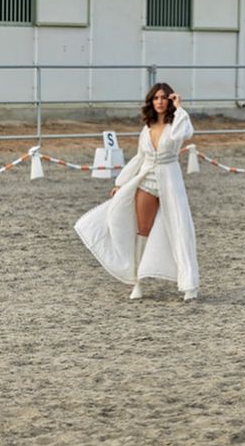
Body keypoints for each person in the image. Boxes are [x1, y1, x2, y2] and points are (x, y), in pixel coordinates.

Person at [74, 83, 199, 301]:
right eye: (155, 98)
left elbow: (186, 132)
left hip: (170, 180)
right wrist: (121, 182)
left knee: (180, 228)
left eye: (164, 98)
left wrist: (179, 107)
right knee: (142, 230)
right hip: (146, 180)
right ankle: (137, 281)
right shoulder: (147, 128)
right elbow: (140, 157)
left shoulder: (177, 123)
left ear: (170, 100)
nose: (159, 102)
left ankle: (189, 284)